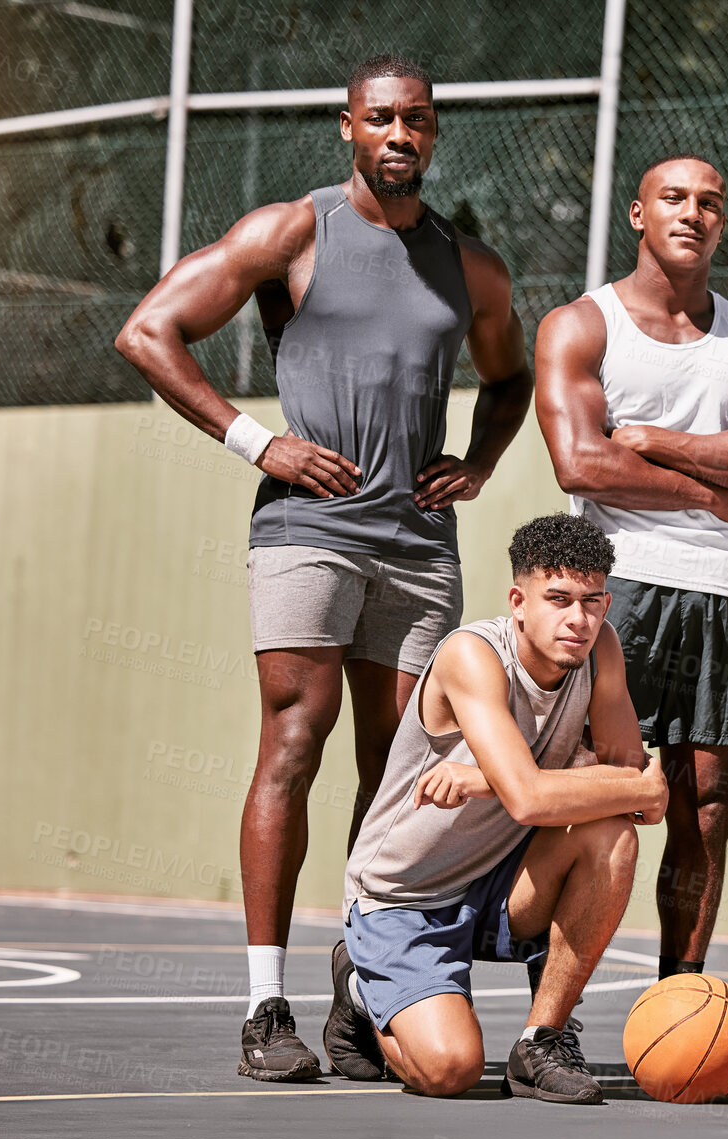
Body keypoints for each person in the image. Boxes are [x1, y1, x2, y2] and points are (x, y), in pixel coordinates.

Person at [114, 54, 533, 1080]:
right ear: (348, 127)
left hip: (421, 548)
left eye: (418, 121)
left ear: (435, 134)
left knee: (401, 771)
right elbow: (146, 331)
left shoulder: (471, 268)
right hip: (310, 530)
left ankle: (364, 995)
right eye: (382, 118)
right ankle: (267, 1007)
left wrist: (476, 465)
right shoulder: (291, 231)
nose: (401, 134)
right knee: (294, 744)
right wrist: (258, 444)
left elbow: (510, 375)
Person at [534, 157, 728, 1013]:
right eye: (675, 199)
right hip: (617, 595)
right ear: (638, 215)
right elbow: (581, 460)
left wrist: (651, 439)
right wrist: (709, 493)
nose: (693, 213)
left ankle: (677, 1004)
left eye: (710, 203)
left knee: (707, 806)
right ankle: (553, 1021)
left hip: (720, 592)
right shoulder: (582, 324)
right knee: (591, 798)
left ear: (723, 223)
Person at [322, 513, 667, 1102]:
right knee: (451, 1073)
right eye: (558, 599)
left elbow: (623, 787)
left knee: (609, 834)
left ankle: (542, 1039)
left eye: (592, 601)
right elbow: (588, 793)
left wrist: (490, 781)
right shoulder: (472, 656)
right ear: (518, 600)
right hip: (404, 896)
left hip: (500, 880)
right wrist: (631, 788)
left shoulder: (601, 648)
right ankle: (361, 989)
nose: (578, 620)